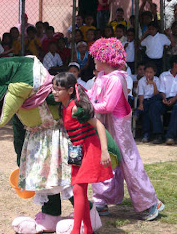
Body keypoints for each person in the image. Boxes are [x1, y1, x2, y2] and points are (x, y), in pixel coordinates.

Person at [88, 37, 164, 221]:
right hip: (103, 126)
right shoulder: (100, 77)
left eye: (97, 57)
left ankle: (150, 203)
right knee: (104, 160)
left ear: (106, 59)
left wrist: (87, 107)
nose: (94, 60)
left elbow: (107, 106)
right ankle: (102, 201)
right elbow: (93, 95)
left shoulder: (117, 79)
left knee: (129, 163)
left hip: (118, 127)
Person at [52, 72, 113, 234]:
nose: (54, 92)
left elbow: (99, 125)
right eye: (53, 88)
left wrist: (105, 150)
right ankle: (88, 229)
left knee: (78, 190)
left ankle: (76, 231)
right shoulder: (62, 107)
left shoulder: (76, 108)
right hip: (77, 152)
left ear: (70, 90)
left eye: (59, 89)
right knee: (80, 192)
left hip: (90, 149)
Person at [149, 55, 177, 145]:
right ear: (175, 65)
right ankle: (158, 135)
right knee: (155, 107)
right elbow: (162, 90)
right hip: (166, 98)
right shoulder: (164, 75)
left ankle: (170, 136)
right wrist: (164, 99)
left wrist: (174, 99)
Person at [134, 63, 161, 143]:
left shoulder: (157, 79)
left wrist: (154, 84)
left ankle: (146, 134)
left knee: (156, 99)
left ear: (154, 73)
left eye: (150, 72)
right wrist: (141, 104)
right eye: (147, 72)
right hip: (146, 101)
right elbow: (141, 94)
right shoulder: (141, 81)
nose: (148, 74)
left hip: (155, 99)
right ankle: (147, 134)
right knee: (147, 110)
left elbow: (157, 94)